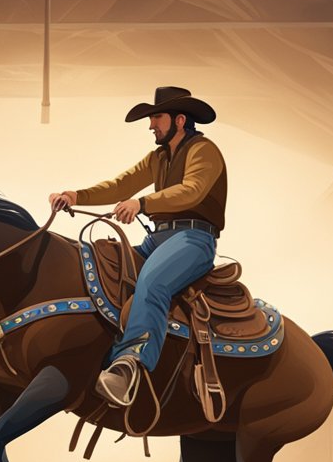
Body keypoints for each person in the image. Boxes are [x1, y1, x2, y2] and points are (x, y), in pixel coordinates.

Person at [52, 86, 226, 407]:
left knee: (153, 282)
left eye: (156, 117)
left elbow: (193, 191)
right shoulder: (159, 157)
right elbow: (121, 184)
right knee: (106, 267)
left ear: (180, 119)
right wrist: (76, 196)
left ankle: (130, 365)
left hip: (193, 240)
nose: (151, 125)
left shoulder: (204, 151)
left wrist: (143, 203)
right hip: (158, 238)